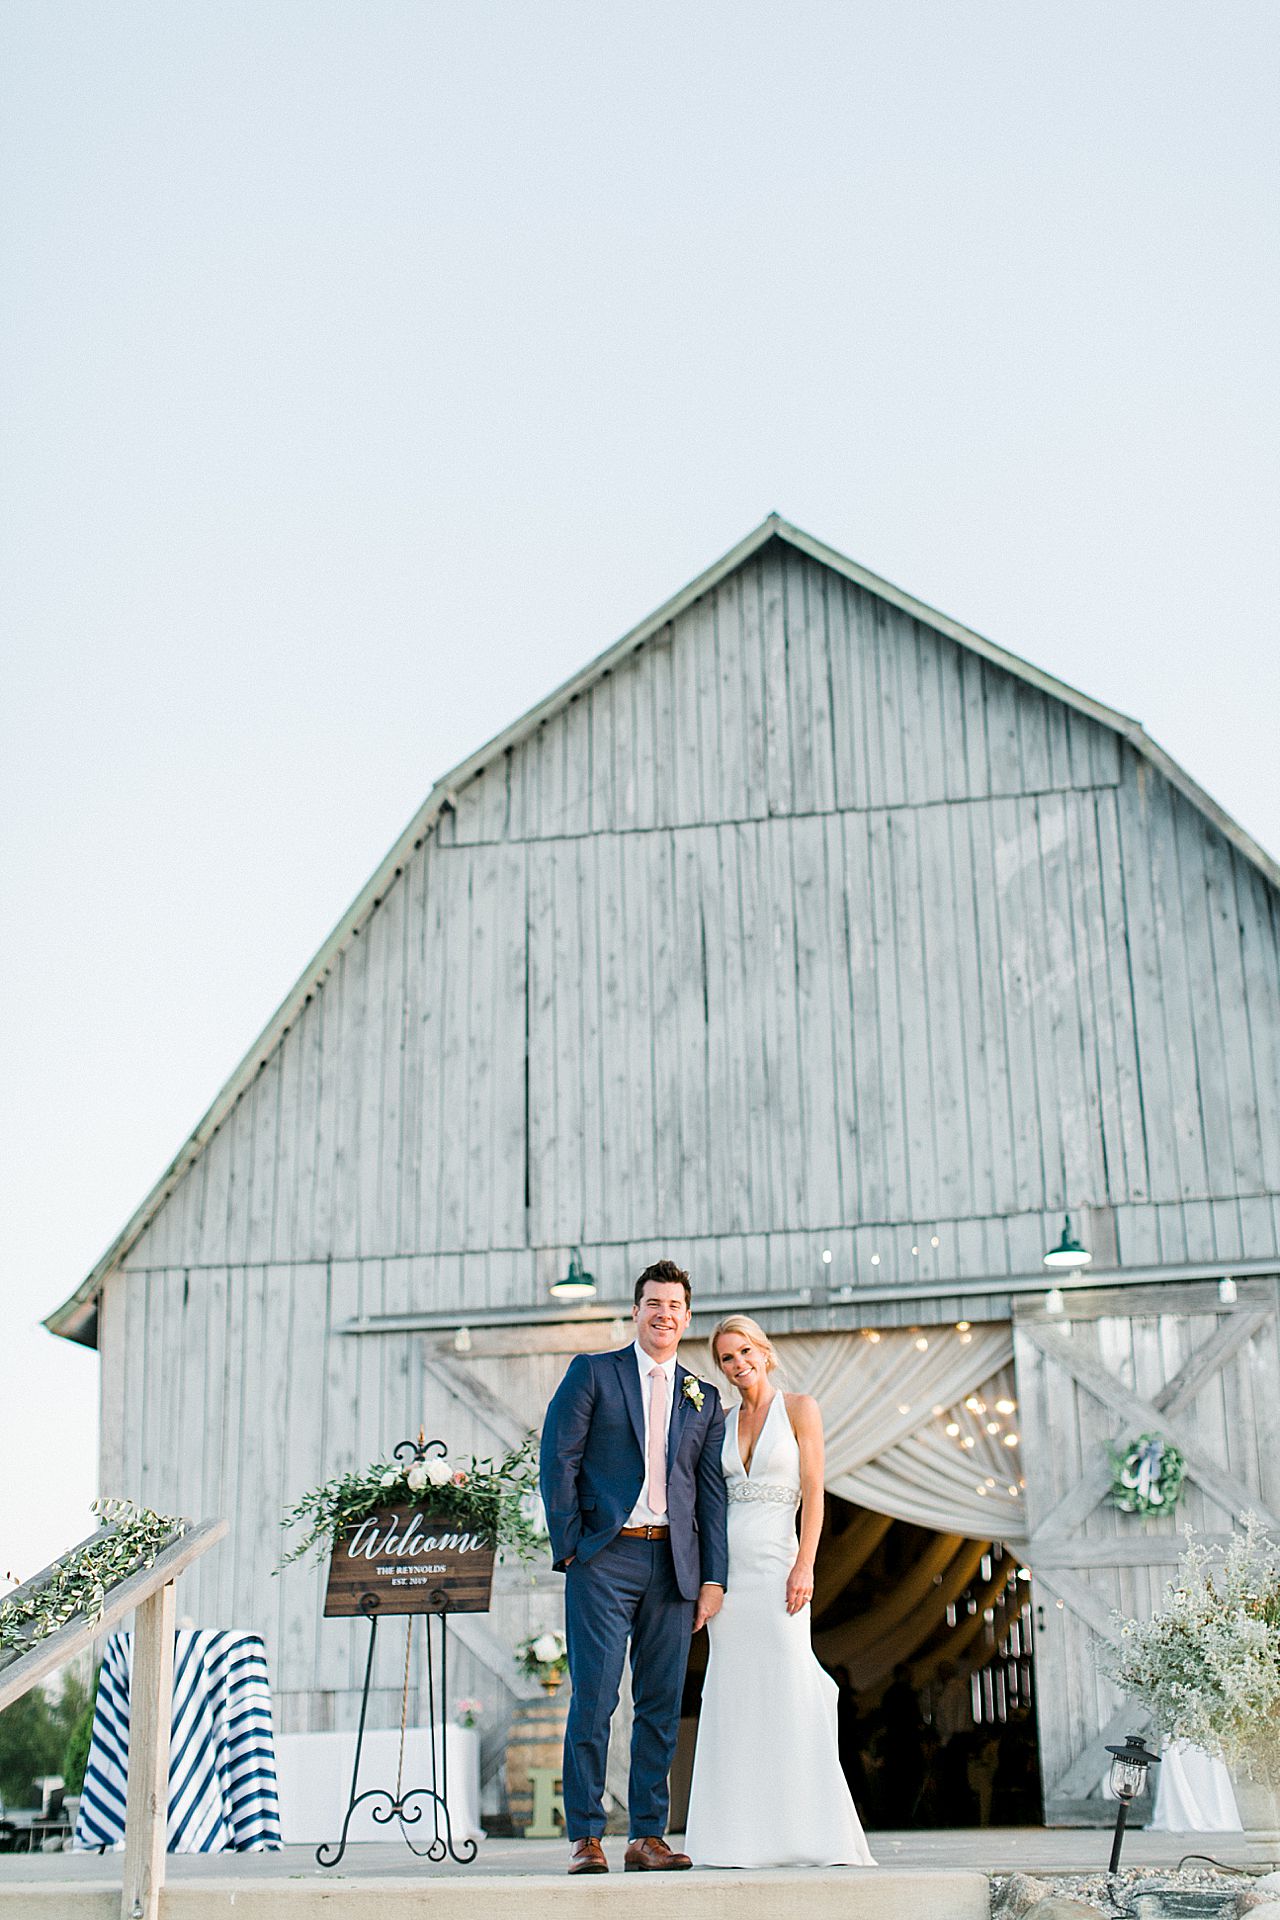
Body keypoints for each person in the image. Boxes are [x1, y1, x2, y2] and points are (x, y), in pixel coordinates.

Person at [539, 1260, 729, 1874]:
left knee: (660, 1703)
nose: (664, 1314)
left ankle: (647, 1835)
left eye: (674, 1305)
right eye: (653, 1303)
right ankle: (587, 1835)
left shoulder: (703, 1396)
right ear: (636, 1310)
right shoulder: (594, 1373)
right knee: (594, 1698)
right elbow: (558, 1456)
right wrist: (571, 1545)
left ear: (687, 1316)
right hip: (606, 1557)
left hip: (674, 1563)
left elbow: (710, 1495)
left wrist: (712, 1577)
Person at [683, 1315, 876, 1868]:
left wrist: (806, 1564)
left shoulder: (800, 1408)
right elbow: (705, 1505)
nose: (737, 1363)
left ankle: (810, 1830)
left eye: (744, 1351)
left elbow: (814, 1493)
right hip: (728, 1573)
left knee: (791, 1678)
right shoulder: (717, 1422)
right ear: (718, 1367)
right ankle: (736, 1835)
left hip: (779, 1564)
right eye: (726, 1358)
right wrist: (708, 1580)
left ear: (764, 1352)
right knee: (733, 1688)